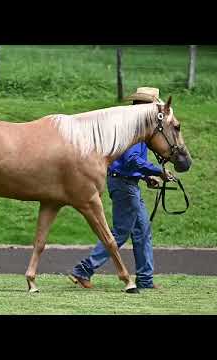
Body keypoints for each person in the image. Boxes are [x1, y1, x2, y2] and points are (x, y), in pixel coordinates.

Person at [69, 87, 174, 290]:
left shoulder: (138, 126)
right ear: (145, 106)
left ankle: (145, 279)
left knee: (143, 231)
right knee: (120, 232)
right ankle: (83, 269)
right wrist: (158, 171)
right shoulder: (134, 127)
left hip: (127, 182)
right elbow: (131, 159)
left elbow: (132, 163)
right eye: (153, 106)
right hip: (124, 184)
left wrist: (146, 176)